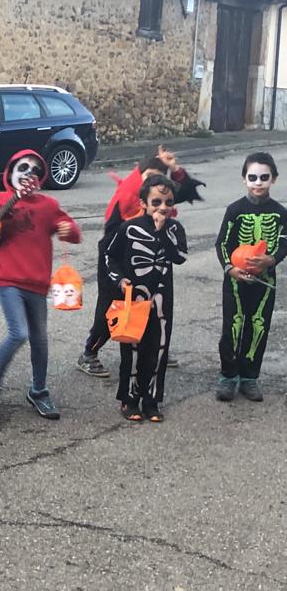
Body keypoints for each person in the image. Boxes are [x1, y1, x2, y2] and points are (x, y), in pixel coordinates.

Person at [0, 149, 81, 421]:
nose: (29, 174)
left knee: (40, 339)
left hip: (36, 281)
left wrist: (66, 230)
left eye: (36, 170)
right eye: (24, 168)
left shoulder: (47, 205)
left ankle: (39, 390)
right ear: (11, 171)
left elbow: (71, 229)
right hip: (7, 278)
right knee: (19, 333)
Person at [76, 146, 197, 377]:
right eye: (148, 177)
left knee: (153, 306)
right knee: (112, 308)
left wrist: (175, 169)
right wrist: (120, 273)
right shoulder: (129, 194)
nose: (153, 184)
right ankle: (89, 352)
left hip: (152, 263)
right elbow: (111, 239)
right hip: (118, 259)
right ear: (140, 175)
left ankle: (154, 346)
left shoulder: (159, 196)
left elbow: (187, 192)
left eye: (157, 178)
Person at [104, 175, 187, 422]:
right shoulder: (128, 228)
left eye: (168, 202)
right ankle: (129, 399)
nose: (162, 207)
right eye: (157, 202)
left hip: (161, 298)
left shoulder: (174, 228)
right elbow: (110, 256)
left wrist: (161, 232)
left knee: (158, 349)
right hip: (134, 297)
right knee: (132, 349)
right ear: (144, 202)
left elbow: (180, 256)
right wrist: (119, 279)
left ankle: (152, 400)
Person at [215, 152, 287, 403]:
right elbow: (222, 243)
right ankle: (228, 375)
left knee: (258, 325)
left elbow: (283, 242)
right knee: (233, 325)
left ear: (273, 179)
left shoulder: (280, 213)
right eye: (253, 177)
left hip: (264, 280)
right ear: (244, 179)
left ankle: (249, 377)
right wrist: (229, 268)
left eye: (264, 177)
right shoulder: (235, 210)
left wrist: (272, 259)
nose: (258, 182)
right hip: (235, 279)